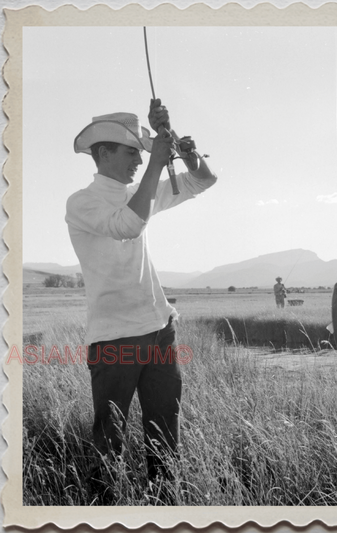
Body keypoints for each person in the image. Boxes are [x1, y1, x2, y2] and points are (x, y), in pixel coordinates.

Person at [65, 99, 217, 498]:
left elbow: (204, 180)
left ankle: (165, 507)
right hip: (115, 338)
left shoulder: (140, 190)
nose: (139, 159)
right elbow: (128, 225)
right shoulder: (81, 203)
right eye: (132, 151)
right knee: (110, 439)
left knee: (166, 433)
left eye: (141, 152)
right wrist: (156, 164)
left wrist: (186, 153)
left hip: (161, 329)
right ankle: (105, 511)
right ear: (103, 153)